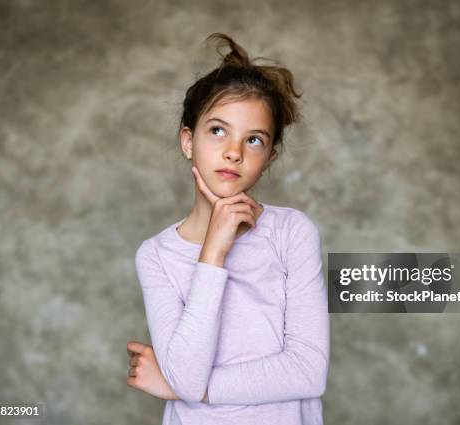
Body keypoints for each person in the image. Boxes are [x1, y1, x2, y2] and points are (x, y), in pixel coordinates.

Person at [126, 32, 330, 425]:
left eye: (253, 140)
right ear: (189, 140)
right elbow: (186, 372)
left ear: (268, 158)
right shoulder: (155, 255)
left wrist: (184, 389)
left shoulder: (292, 233)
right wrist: (214, 251)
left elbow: (308, 371)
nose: (233, 151)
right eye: (218, 130)